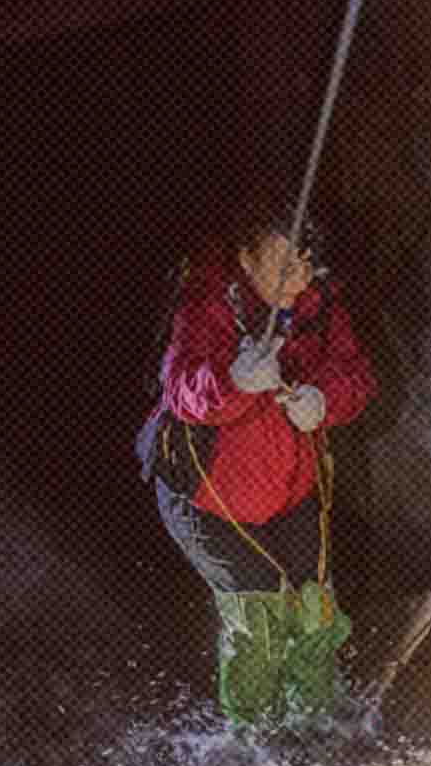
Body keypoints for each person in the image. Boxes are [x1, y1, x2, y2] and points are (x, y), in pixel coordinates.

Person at [137, 194, 377, 735]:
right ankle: (251, 739)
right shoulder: (209, 302)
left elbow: (355, 374)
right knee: (259, 614)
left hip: (292, 492)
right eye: (283, 264)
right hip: (208, 498)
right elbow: (184, 388)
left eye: (306, 262)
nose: (299, 277)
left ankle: (315, 725)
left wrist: (325, 399)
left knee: (314, 610)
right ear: (246, 259)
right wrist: (235, 380)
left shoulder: (319, 306)